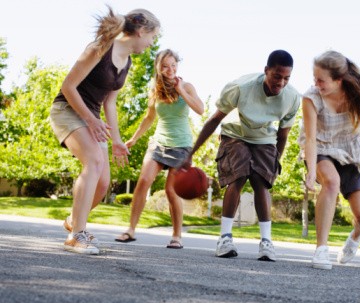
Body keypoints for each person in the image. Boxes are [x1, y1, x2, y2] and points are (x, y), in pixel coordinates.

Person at [49, 7, 160, 255]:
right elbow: (68, 87)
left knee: (103, 184)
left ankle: (73, 221)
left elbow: (110, 103)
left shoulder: (127, 62)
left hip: (92, 118)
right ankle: (77, 235)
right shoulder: (99, 48)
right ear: (141, 31)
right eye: (152, 37)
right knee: (94, 162)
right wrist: (90, 120)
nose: (152, 43)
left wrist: (117, 141)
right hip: (68, 110)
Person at [182, 50, 300, 261]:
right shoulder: (241, 88)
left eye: (286, 78)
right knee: (238, 176)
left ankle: (266, 242)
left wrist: (275, 161)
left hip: (264, 138)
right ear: (266, 71)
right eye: (277, 76)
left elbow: (283, 135)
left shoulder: (291, 98)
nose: (281, 82)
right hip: (235, 133)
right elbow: (214, 120)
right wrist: (192, 152)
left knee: (261, 182)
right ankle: (224, 238)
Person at [114, 49, 204, 248]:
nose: (170, 69)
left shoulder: (187, 86)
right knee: (144, 180)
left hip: (181, 145)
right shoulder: (155, 89)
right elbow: (149, 118)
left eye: (173, 65)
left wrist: (180, 90)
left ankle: (177, 236)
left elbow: (200, 109)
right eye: (165, 66)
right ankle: (130, 230)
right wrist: (134, 139)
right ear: (159, 68)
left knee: (171, 191)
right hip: (159, 142)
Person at [299, 50, 360, 270]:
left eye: (321, 80)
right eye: (314, 78)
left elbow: (352, 123)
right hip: (320, 146)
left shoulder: (355, 94)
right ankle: (321, 250)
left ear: (339, 80)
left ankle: (354, 238)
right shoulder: (311, 98)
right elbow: (311, 139)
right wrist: (312, 173)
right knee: (331, 182)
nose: (316, 84)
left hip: (350, 150)